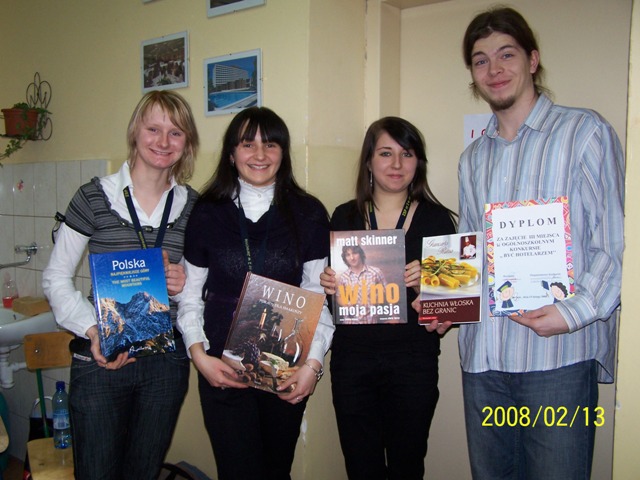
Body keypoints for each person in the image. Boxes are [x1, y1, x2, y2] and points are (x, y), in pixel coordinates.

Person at [457, 7, 624, 479]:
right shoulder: (472, 158)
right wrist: (449, 303)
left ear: (532, 60)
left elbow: (616, 243)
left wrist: (572, 313)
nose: (494, 69)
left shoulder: (585, 132)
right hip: (484, 360)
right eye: (481, 60)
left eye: (506, 54)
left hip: (559, 360)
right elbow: (471, 248)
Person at [42, 90, 200, 479]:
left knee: (143, 472)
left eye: (176, 132)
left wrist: (182, 281)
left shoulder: (194, 206)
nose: (163, 142)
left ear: (187, 142)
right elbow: (55, 277)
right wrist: (94, 330)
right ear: (135, 132)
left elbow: (200, 290)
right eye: (153, 129)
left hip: (165, 362)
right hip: (102, 356)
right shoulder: (94, 197)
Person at [176, 106, 334, 480]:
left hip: (285, 368)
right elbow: (190, 295)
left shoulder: (309, 213)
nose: (260, 155)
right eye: (248, 144)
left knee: (276, 471)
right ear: (231, 154)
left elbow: (318, 297)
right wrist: (199, 357)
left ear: (283, 153)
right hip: (222, 366)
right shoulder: (206, 212)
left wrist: (312, 366)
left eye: (270, 145)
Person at [320, 117, 456, 479]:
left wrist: (429, 289)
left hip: (413, 362)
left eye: (406, 154)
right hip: (352, 361)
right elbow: (332, 303)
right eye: (385, 153)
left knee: (407, 465)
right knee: (360, 466)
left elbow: (447, 315)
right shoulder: (344, 216)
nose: (397, 164)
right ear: (368, 161)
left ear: (418, 162)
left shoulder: (437, 221)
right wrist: (329, 284)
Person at [335, 245, 387, 324]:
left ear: (360, 254)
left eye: (354, 253)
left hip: (371, 321)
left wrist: (394, 316)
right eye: (348, 255)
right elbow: (339, 296)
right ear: (345, 258)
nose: (352, 258)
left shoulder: (376, 272)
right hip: (350, 323)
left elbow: (388, 294)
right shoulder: (343, 277)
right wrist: (346, 305)